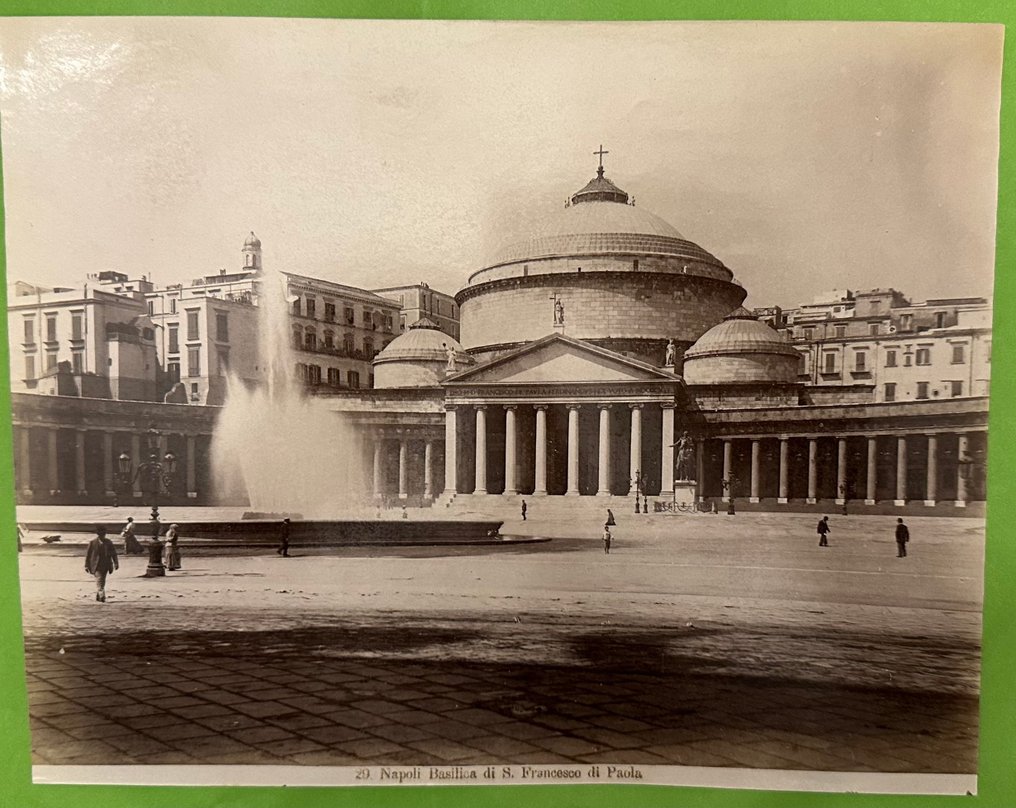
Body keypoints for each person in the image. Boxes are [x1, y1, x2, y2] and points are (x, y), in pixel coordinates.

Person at [85, 526, 119, 603]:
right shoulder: (92, 543)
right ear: (98, 534)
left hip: (106, 565)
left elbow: (114, 554)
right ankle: (102, 595)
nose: (103, 535)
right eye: (101, 534)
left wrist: (116, 563)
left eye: (104, 534)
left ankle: (99, 594)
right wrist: (86, 565)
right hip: (95, 565)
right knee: (100, 579)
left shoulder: (109, 542)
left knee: (102, 580)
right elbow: (88, 555)